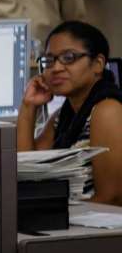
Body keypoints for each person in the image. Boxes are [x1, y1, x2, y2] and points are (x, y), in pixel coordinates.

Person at [18, 21, 122, 206]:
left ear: (98, 64)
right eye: (49, 60)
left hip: (97, 228)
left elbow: (111, 199)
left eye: (69, 57)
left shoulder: (107, 110)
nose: (56, 68)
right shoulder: (63, 115)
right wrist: (28, 106)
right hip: (72, 220)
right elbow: (26, 171)